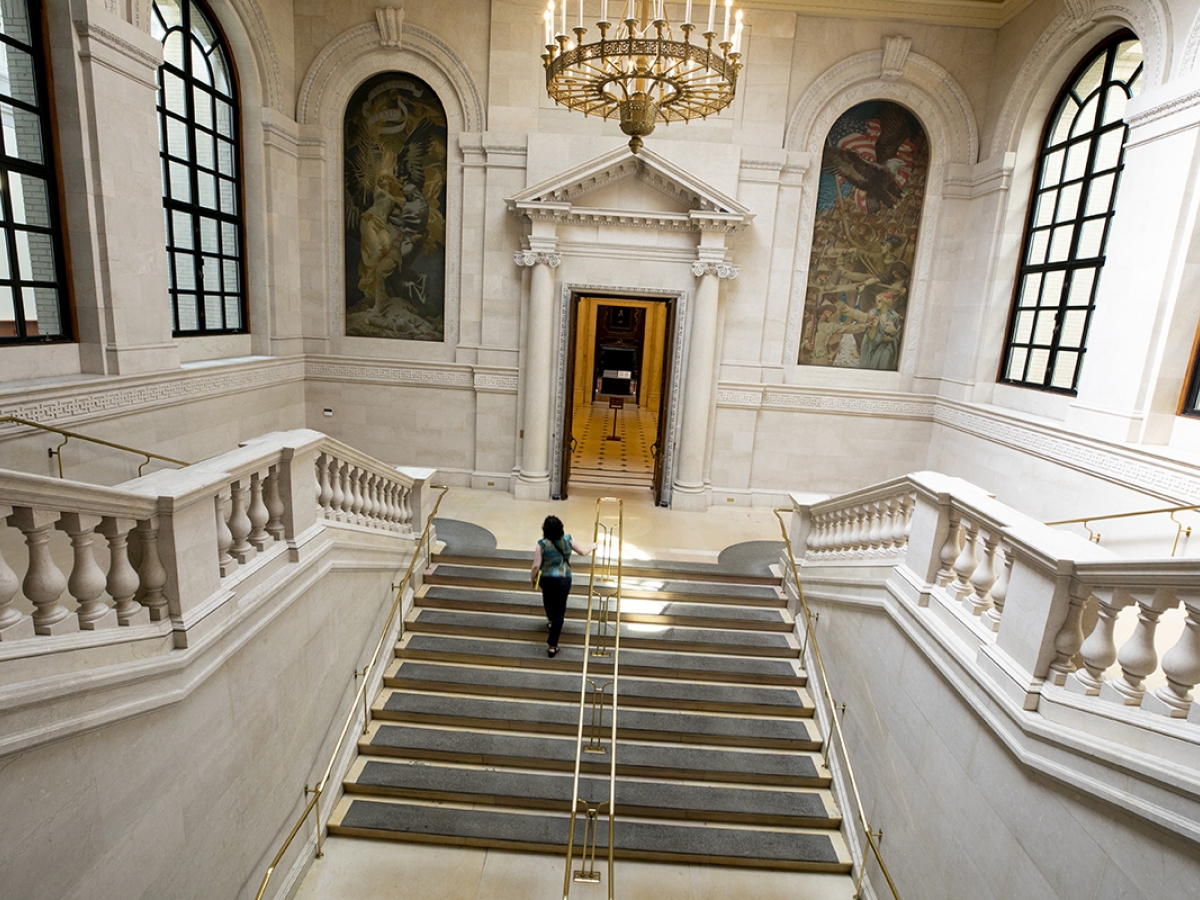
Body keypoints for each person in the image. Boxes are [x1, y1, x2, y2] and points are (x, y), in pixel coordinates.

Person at [530, 515, 594, 658]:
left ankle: (551, 622)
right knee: (560, 611)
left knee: (547, 600)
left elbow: (536, 566)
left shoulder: (542, 544)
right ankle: (552, 646)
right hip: (564, 579)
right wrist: (592, 546)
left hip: (547, 579)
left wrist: (532, 579)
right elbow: (583, 552)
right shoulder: (568, 539)